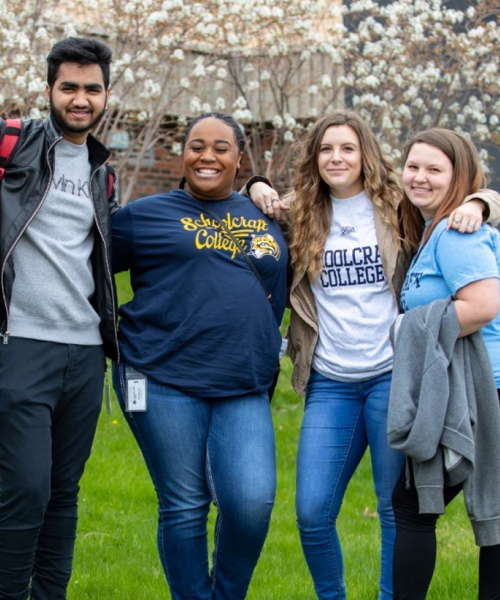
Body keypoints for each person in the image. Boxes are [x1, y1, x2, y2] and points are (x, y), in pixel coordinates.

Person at [247, 110, 500, 600]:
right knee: (312, 511)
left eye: (347, 148)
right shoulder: (301, 211)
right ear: (314, 158)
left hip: (394, 377)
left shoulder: (397, 205)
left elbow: (461, 193)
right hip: (331, 381)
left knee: (395, 510)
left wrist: (480, 201)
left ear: (367, 155)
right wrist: (256, 182)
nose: (337, 158)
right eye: (326, 149)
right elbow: (241, 210)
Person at [111, 112, 289, 600]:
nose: (207, 156)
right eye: (196, 145)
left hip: (244, 381)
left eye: (220, 148)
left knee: (250, 502)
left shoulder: (271, 216)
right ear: (183, 153)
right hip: (156, 375)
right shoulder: (141, 218)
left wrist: (484, 201)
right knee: (184, 504)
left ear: (239, 158)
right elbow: (79, 265)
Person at [0, 37, 118, 600]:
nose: (80, 99)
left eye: (91, 89)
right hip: (21, 342)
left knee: (63, 490)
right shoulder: (12, 144)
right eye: (68, 87)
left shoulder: (101, 170)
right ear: (49, 89)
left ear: (106, 96)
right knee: (24, 487)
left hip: (85, 351)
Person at [389, 127, 500, 600]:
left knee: (414, 507)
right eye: (413, 166)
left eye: (434, 169)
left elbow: (482, 305)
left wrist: (406, 330)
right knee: (491, 512)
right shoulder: (433, 229)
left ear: (459, 177)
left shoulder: (457, 234)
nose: (420, 177)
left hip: (479, 392)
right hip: (471, 387)